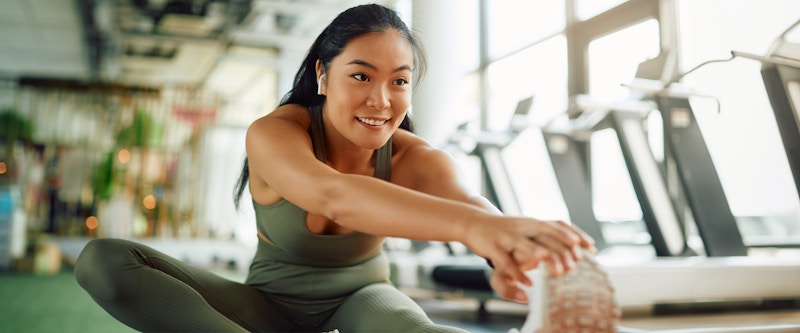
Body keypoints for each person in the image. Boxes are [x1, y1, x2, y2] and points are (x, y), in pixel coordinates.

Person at [75, 4, 610, 332]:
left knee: (408, 328)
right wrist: (480, 229)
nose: (382, 99)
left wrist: (508, 246)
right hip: (262, 307)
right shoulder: (275, 133)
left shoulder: (411, 156)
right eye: (361, 76)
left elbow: (470, 206)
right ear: (323, 75)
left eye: (399, 81)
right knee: (103, 260)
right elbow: (331, 194)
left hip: (361, 300)